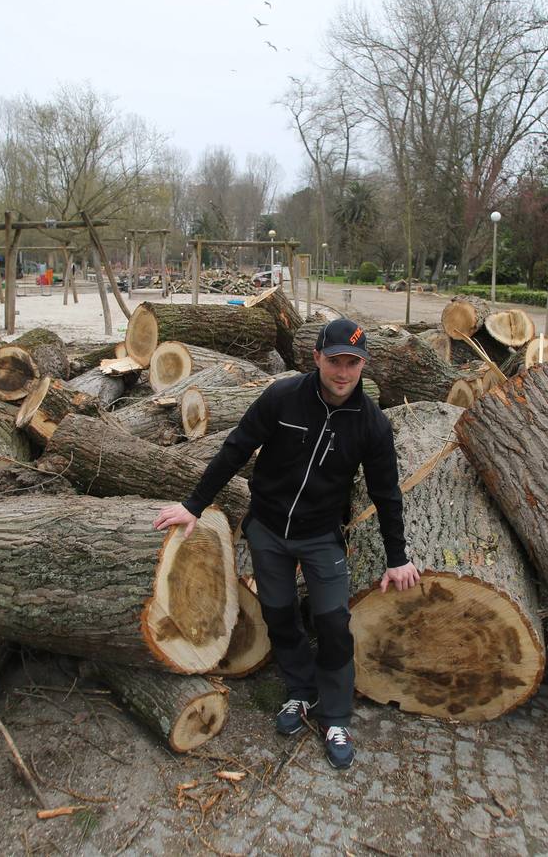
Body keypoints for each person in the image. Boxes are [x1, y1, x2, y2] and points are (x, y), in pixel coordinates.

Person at [153, 318, 419, 769]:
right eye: (335, 360)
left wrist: (397, 556)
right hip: (269, 532)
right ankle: (299, 692)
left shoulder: (371, 424)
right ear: (316, 358)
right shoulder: (283, 398)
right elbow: (235, 449)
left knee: (333, 624)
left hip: (321, 538)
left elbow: (386, 492)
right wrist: (194, 505)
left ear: (363, 366)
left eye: (353, 363)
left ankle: (335, 715)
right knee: (278, 615)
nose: (343, 372)